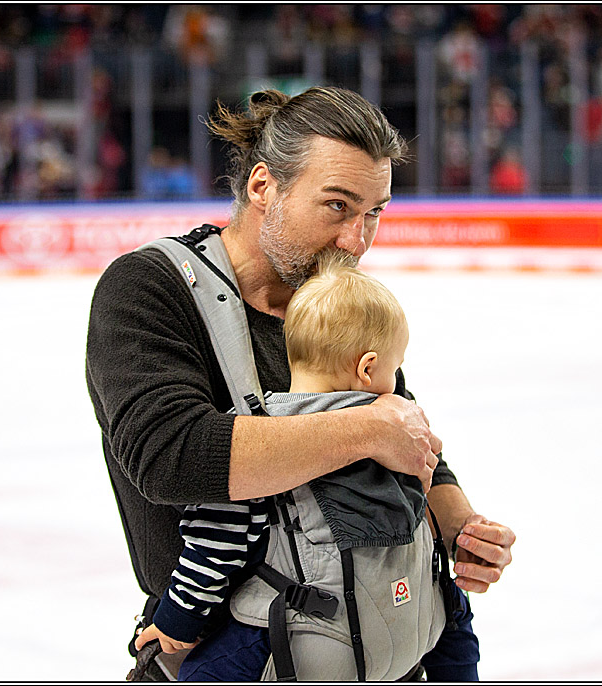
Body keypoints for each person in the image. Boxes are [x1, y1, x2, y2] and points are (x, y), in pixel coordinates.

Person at [85, 85, 515, 678]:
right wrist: (363, 429)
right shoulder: (148, 288)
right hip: (232, 645)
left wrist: (458, 525)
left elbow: (403, 436)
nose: (356, 242)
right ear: (263, 186)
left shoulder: (337, 299)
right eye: (338, 206)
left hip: (376, 637)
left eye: (375, 212)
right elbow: (170, 456)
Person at [132, 250, 480, 680]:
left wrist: (176, 623)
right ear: (368, 369)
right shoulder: (401, 432)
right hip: (410, 635)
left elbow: (215, 546)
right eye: (397, 366)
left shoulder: (261, 439)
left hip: (308, 645)